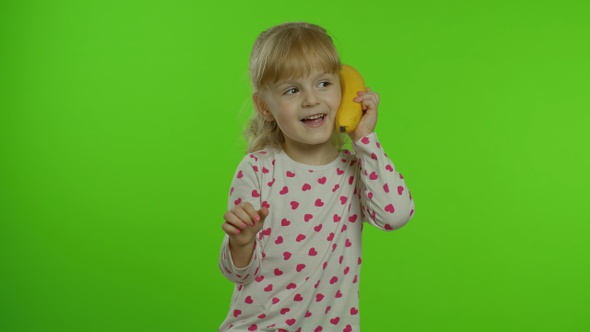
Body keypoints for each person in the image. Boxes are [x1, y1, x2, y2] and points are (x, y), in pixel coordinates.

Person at [218, 21, 415, 332]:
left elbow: (396, 215)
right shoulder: (257, 169)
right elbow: (238, 274)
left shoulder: (356, 170)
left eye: (324, 83)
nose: (311, 99)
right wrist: (241, 242)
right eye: (292, 90)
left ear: (345, 89)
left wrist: (365, 138)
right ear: (265, 107)